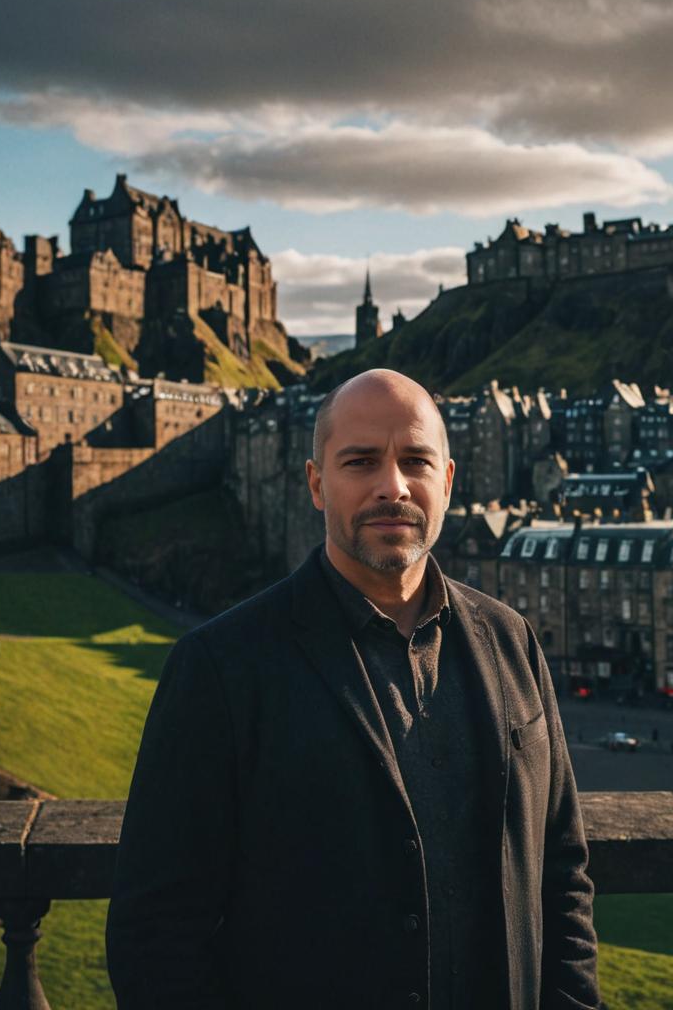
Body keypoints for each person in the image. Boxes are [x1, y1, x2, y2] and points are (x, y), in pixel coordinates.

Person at [106, 369, 600, 1009]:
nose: (392, 486)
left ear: (447, 481)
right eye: (361, 462)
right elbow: (156, 934)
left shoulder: (513, 643)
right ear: (317, 483)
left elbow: (562, 875)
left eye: (415, 461)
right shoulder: (219, 668)